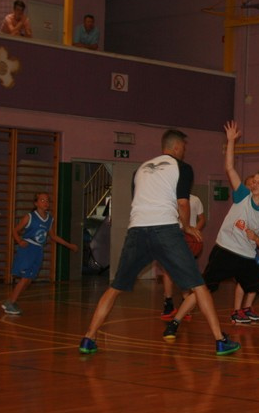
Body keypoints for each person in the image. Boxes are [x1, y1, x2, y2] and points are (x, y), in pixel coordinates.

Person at [79, 129, 240, 356]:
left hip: (137, 231)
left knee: (115, 288)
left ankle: (88, 338)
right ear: (176, 147)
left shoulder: (139, 170)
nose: (184, 151)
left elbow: (139, 201)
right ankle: (220, 340)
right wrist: (187, 227)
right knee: (199, 285)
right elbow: (182, 203)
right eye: (184, 147)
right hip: (165, 229)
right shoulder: (182, 168)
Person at [163, 121, 259, 341]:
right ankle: (174, 323)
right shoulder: (242, 195)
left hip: (246, 256)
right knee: (202, 289)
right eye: (254, 181)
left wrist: (255, 238)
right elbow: (229, 168)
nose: (255, 184)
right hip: (225, 251)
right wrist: (230, 141)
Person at [2, 192, 78, 315]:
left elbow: (53, 236)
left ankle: (10, 301)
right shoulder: (30, 216)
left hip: (38, 250)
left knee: (29, 280)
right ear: (36, 203)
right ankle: (11, 303)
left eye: (47, 200)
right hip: (28, 248)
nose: (45, 202)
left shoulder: (50, 219)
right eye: (42, 200)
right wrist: (19, 241)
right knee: (25, 278)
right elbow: (15, 230)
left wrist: (69, 245)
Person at [160, 193, 205, 319]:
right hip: (172, 235)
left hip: (188, 238)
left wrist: (194, 231)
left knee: (185, 271)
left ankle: (186, 303)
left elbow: (202, 219)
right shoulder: (168, 198)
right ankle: (168, 303)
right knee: (167, 270)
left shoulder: (195, 199)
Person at [229, 175, 259, 324]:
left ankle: (247, 308)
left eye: (256, 184)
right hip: (238, 247)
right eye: (250, 184)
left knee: (256, 278)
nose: (253, 186)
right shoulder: (241, 201)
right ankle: (236, 311)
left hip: (251, 247)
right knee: (242, 280)